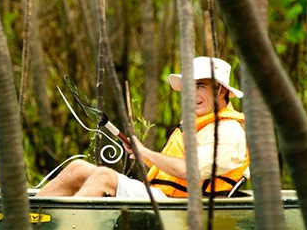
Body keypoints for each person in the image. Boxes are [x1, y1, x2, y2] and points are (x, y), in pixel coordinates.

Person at [36, 57, 249, 198]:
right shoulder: (199, 123)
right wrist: (144, 157)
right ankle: (31, 218)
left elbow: (188, 171)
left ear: (221, 91)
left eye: (200, 86)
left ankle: (62, 224)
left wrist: (145, 151)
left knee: (104, 177)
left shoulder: (229, 132)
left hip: (182, 210)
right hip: (164, 199)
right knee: (77, 169)